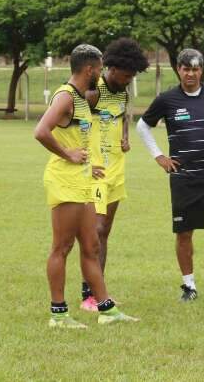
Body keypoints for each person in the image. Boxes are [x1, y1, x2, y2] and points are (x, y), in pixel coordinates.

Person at [34, 44, 138, 328]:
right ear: (90, 69)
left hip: (84, 180)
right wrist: (68, 154)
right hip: (65, 182)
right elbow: (41, 131)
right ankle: (59, 314)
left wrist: (89, 164)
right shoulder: (66, 96)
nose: (102, 73)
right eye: (101, 68)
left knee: (91, 244)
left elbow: (77, 139)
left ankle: (107, 310)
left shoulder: (80, 99)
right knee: (62, 247)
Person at [136, 48, 204, 304]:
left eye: (195, 69)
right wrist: (159, 156)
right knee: (184, 233)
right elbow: (142, 126)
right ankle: (189, 286)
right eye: (186, 69)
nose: (191, 73)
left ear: (201, 70)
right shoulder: (167, 99)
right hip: (183, 178)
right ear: (179, 70)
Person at [79, 38, 150, 311]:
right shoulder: (93, 91)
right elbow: (77, 124)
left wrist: (124, 137)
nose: (130, 79)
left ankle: (100, 293)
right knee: (94, 231)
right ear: (113, 67)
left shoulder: (123, 92)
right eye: (127, 74)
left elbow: (122, 118)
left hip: (117, 170)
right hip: (95, 171)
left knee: (105, 231)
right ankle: (89, 295)